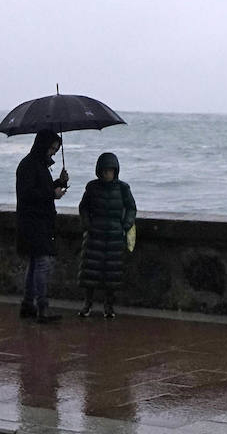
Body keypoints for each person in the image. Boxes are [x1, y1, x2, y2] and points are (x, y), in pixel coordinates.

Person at [16, 131, 69, 323]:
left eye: (56, 149)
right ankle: (42, 307)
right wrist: (52, 194)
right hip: (34, 222)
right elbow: (29, 194)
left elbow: (40, 189)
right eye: (52, 148)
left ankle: (28, 304)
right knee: (41, 263)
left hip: (36, 221)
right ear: (43, 145)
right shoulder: (30, 165)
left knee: (34, 263)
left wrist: (59, 182)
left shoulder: (36, 164)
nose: (53, 153)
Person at [76, 152, 137, 319]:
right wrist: (87, 225)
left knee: (112, 274)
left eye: (110, 170)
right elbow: (84, 207)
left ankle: (109, 306)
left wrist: (124, 225)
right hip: (95, 235)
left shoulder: (123, 188)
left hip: (114, 236)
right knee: (90, 272)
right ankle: (87, 304)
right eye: (104, 171)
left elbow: (131, 208)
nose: (107, 174)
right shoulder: (92, 187)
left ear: (115, 171)